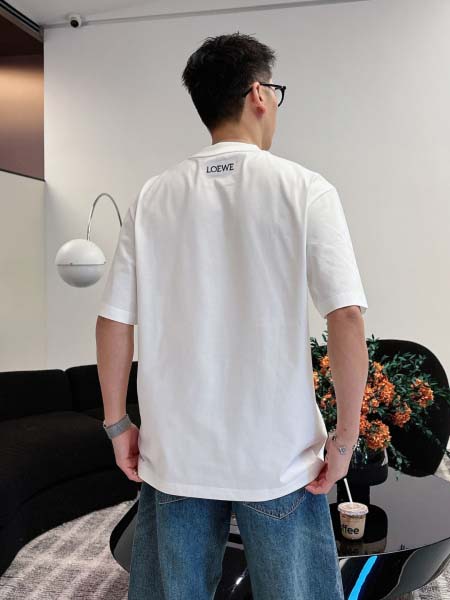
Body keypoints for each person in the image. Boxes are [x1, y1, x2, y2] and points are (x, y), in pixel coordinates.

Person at [96, 32, 369, 600]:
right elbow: (345, 315)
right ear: (259, 94)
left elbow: (115, 321)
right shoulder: (305, 189)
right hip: (279, 456)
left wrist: (118, 425)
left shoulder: (152, 197)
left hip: (176, 453)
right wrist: (344, 439)